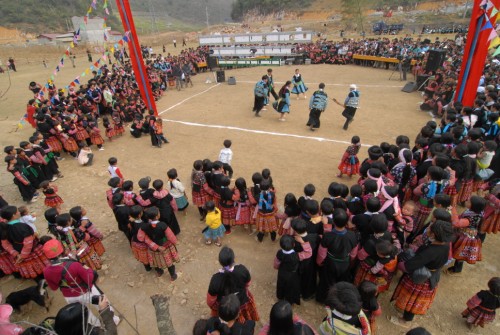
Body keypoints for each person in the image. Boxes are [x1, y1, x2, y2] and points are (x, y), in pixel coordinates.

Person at [43, 239, 120, 327]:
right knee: (102, 303)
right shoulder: (73, 265)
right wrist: (89, 269)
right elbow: (89, 279)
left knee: (84, 313)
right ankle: (114, 320)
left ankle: (96, 326)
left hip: (69, 296)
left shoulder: (46, 271)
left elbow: (54, 288)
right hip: (86, 291)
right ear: (63, 250)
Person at [391, 220, 454, 323]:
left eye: (430, 228)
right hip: (432, 273)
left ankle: (405, 320)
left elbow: (408, 266)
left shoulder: (431, 251)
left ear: (434, 234)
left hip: (422, 278)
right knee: (412, 301)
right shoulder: (444, 243)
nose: (427, 229)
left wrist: (399, 263)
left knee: (412, 301)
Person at [316, 208, 358, 303]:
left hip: (330, 262)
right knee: (341, 282)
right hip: (345, 262)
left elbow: (321, 253)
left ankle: (324, 299)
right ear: (347, 222)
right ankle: (337, 300)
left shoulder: (328, 236)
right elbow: (353, 253)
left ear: (333, 221)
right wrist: (350, 261)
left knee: (327, 282)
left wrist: (319, 262)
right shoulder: (352, 235)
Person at [207, 247, 259, 323]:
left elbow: (210, 301)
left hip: (224, 308)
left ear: (220, 262)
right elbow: (248, 284)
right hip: (241, 301)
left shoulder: (215, 279)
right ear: (233, 259)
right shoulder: (242, 270)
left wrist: (214, 308)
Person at [0, 205, 49, 279]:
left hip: (18, 252)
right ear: (14, 215)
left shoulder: (4, 227)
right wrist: (23, 255)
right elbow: (28, 243)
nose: (19, 212)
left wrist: (15, 253)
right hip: (30, 251)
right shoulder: (22, 226)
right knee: (41, 268)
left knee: (32, 270)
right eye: (17, 211)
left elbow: (5, 244)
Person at [140, 206, 180, 279]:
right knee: (169, 262)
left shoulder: (144, 226)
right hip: (165, 246)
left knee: (155, 262)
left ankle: (159, 272)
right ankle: (173, 276)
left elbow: (141, 237)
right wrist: (175, 242)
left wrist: (154, 245)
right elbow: (170, 236)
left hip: (153, 248)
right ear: (157, 216)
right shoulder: (163, 225)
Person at [274, 235, 301, 305]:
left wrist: (277, 267)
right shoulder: (295, 255)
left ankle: (280, 297)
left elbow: (276, 263)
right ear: (294, 244)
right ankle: (290, 301)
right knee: (290, 287)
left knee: (281, 284)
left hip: (282, 272)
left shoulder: (279, 253)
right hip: (292, 274)